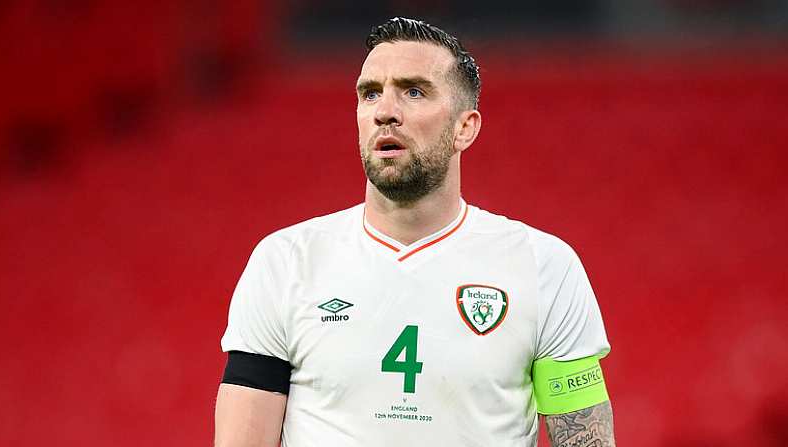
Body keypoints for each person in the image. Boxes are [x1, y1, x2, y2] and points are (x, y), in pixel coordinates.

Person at [215, 17, 616, 447]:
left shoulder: (544, 268)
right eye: (370, 94)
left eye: (413, 91)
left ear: (465, 127)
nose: (385, 111)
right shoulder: (286, 261)